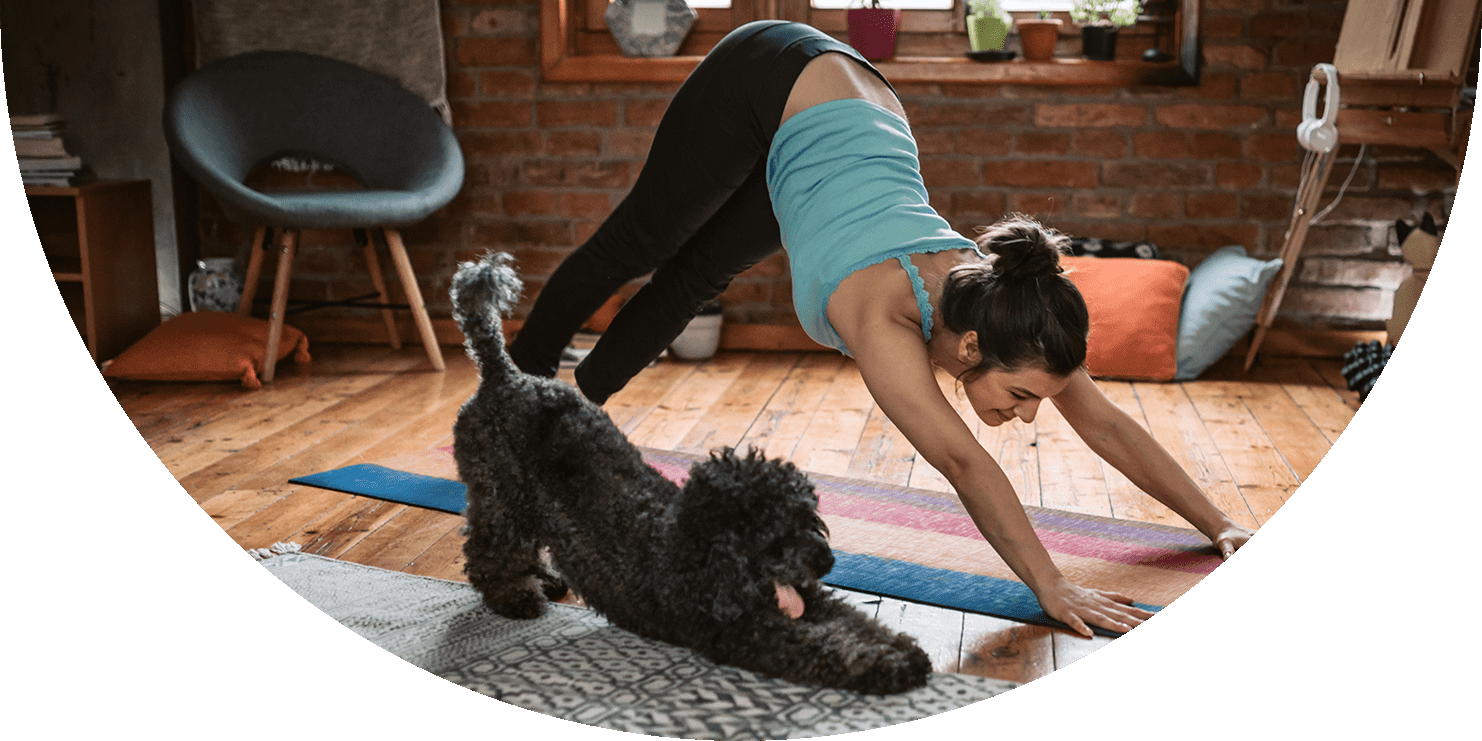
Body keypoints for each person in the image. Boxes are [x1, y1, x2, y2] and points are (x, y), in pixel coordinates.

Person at [508, 20, 1254, 637]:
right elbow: (965, 464)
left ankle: (573, 408)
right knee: (641, 242)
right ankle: (514, 389)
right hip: (772, 75)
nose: (1030, 415)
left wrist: (1218, 524)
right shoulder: (883, 317)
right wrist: (1049, 585)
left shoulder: (1007, 313)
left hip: (847, 118)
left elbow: (1107, 423)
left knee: (698, 277)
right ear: (969, 349)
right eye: (1026, 396)